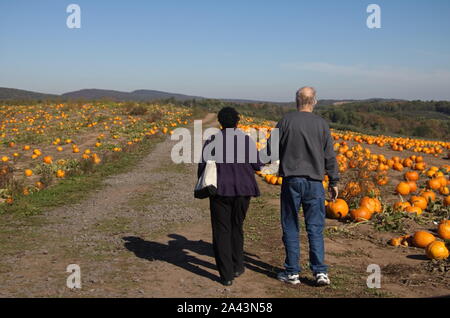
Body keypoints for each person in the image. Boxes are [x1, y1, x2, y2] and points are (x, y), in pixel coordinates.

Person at [273, 87, 339, 286]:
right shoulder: (321, 124)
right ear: (314, 101)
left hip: (291, 181)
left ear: (296, 100)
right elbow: (329, 155)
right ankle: (320, 272)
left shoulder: (285, 121)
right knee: (315, 228)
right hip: (315, 183)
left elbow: (270, 151)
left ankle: (292, 272)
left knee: (291, 225)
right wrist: (334, 181)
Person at [197, 107, 263, 286]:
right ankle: (238, 265)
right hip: (243, 191)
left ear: (220, 122)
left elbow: (202, 168)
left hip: (220, 191)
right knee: (237, 226)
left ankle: (226, 275)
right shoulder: (246, 140)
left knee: (221, 230)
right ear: (237, 122)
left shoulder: (212, 140)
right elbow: (257, 165)